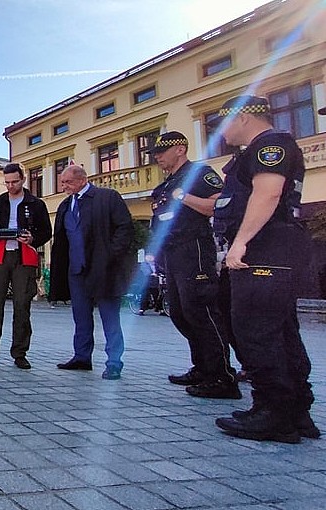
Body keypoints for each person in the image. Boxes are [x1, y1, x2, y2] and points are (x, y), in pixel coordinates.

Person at [210, 95, 318, 443]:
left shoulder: (270, 145)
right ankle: (294, 411)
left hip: (264, 248)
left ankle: (273, 414)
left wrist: (240, 242)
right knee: (282, 333)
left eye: (223, 122)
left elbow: (268, 194)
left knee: (255, 331)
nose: (221, 132)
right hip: (271, 248)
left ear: (242, 117)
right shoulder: (259, 150)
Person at [147, 131, 240, 399]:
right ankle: (202, 367)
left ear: (180, 149)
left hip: (194, 248)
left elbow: (217, 205)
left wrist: (183, 197)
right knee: (179, 312)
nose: (157, 157)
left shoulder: (199, 174)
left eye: (161, 152)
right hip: (172, 253)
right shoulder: (168, 182)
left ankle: (222, 376)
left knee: (201, 309)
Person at [50, 164, 134, 380]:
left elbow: (125, 228)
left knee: (110, 317)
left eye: (67, 182)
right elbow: (61, 239)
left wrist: (110, 255)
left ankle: (114, 362)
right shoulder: (65, 205)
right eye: (63, 183)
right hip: (76, 270)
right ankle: (81, 357)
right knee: (81, 317)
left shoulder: (107, 198)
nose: (64, 186)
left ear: (81, 180)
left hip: (103, 269)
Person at [0, 162, 52, 369]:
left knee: (22, 305)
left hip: (24, 258)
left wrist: (32, 239)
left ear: (23, 179)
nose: (10, 186)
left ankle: (20, 353)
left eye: (14, 182)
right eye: (7, 182)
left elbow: (46, 232)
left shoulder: (36, 204)